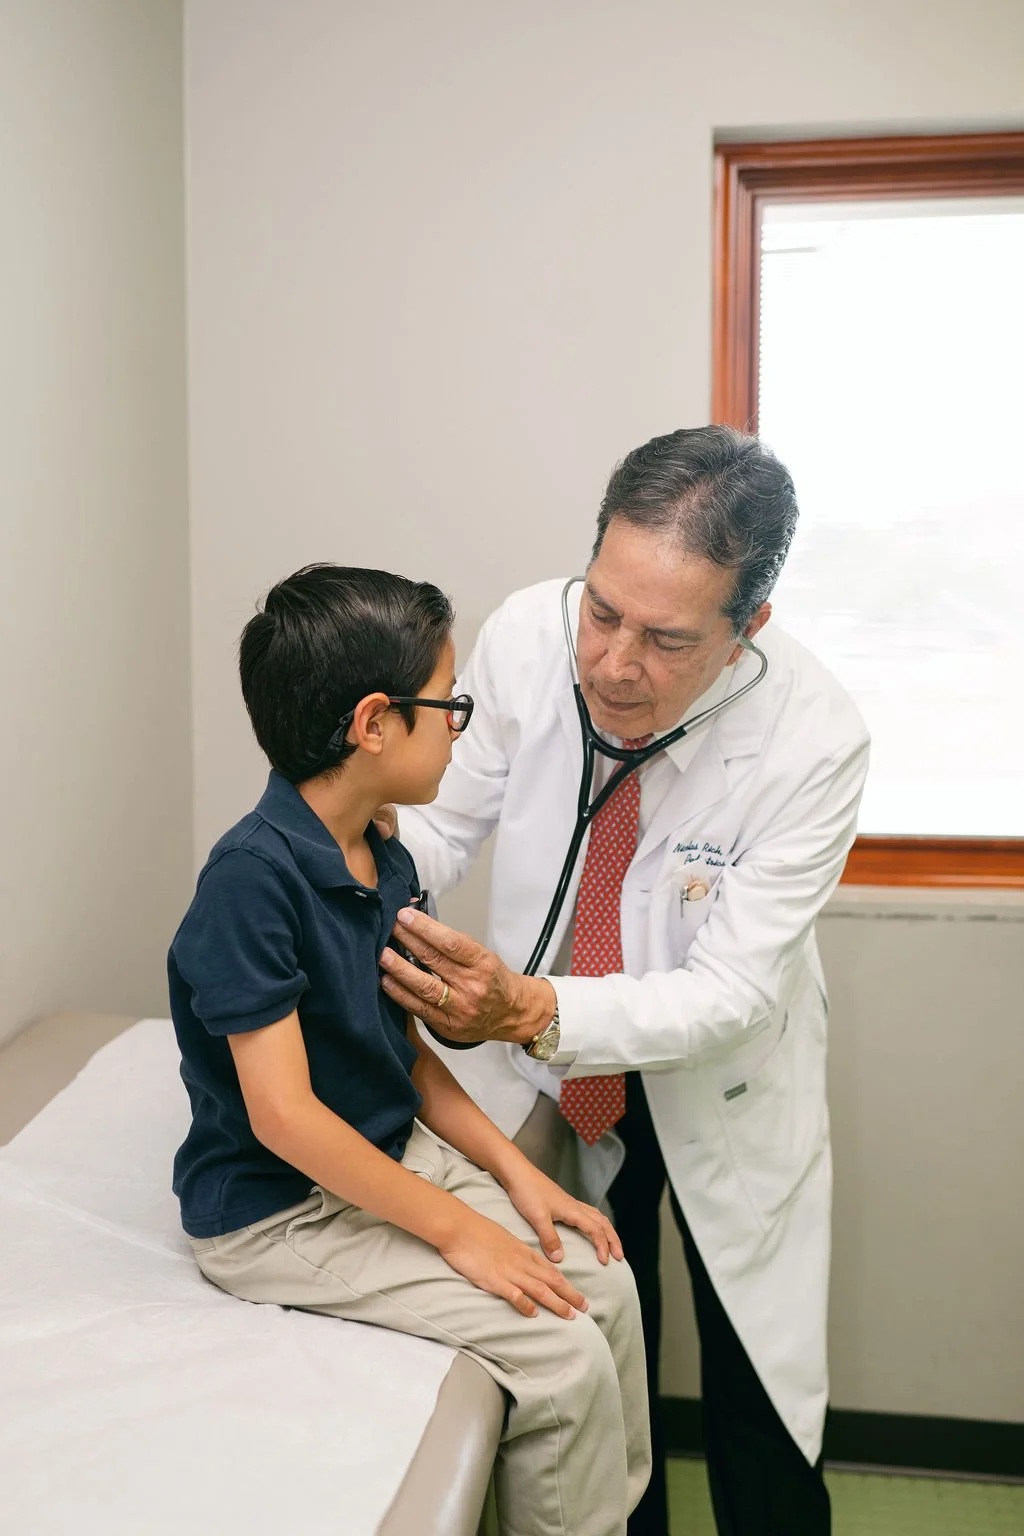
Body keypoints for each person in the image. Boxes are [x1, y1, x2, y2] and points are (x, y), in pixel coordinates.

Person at [378, 427, 871, 1536]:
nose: (611, 664)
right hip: (555, 1075)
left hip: (716, 1086)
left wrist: (534, 1007)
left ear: (749, 629)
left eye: (665, 639)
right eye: (602, 612)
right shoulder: (523, 638)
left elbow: (733, 992)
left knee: (757, 1391)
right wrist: (338, 875)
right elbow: (445, 823)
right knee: (603, 1346)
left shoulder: (813, 738)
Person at [167, 563, 652, 1536]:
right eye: (449, 704)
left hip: (383, 1157)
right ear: (375, 723)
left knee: (604, 1286)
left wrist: (517, 1177)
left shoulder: (379, 854)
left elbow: (407, 1054)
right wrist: (457, 1230)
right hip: (279, 1214)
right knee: (555, 1354)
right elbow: (284, 1116)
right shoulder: (252, 883)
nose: (460, 727)